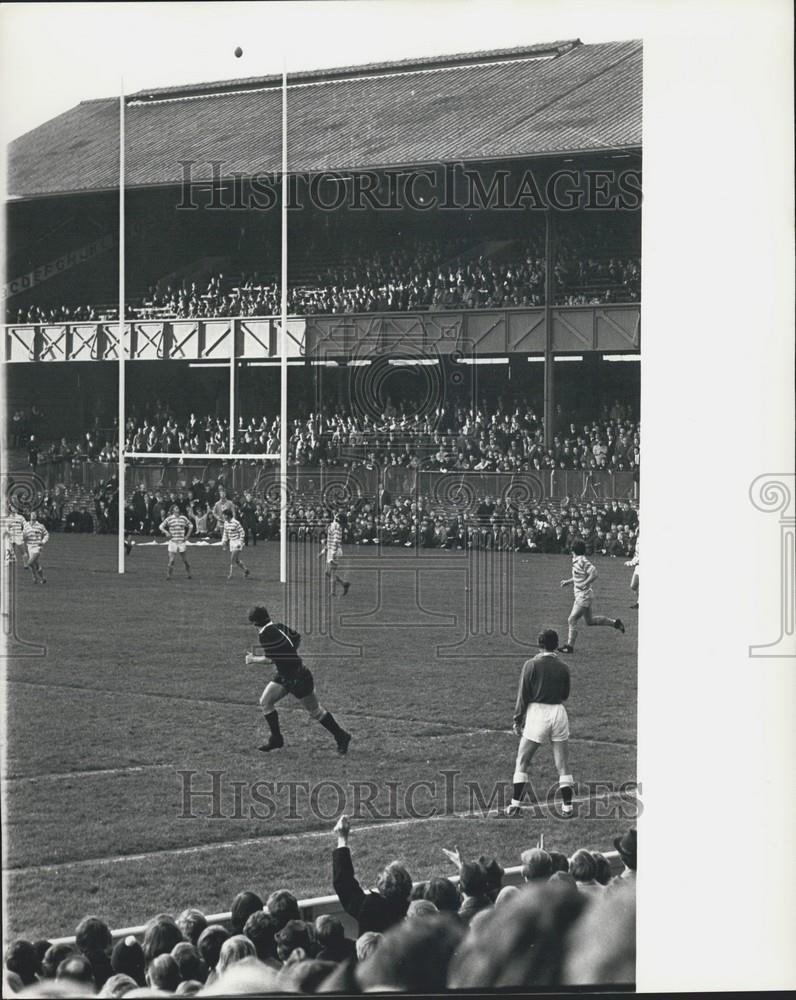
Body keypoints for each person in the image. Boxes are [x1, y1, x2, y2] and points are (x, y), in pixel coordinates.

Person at [244, 604, 352, 754]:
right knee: (265, 702)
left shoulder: (265, 635)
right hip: (286, 675)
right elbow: (297, 637)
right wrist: (288, 653)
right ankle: (276, 739)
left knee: (316, 712)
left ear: (255, 623)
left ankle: (342, 736)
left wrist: (252, 659)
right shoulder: (279, 626)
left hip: (298, 678)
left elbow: (270, 659)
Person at [505, 628, 575, 817]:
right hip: (559, 713)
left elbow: (523, 695)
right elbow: (565, 694)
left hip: (538, 714)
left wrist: (517, 720)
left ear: (539, 644)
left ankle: (515, 804)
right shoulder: (564, 667)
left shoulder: (531, 665)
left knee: (523, 760)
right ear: (556, 645)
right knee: (563, 765)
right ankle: (567, 807)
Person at [332, 814, 412, 933]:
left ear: (381, 886)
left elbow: (343, 883)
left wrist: (342, 839)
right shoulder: (413, 910)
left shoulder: (369, 907)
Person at [557, 540, 624, 653]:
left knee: (572, 619)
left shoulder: (582, 560)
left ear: (573, 550)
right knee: (590, 621)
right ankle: (615, 623)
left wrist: (585, 583)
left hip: (584, 596)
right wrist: (568, 581)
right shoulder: (577, 560)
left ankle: (569, 646)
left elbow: (594, 573)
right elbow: (580, 575)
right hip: (582, 595)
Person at [318, 512, 350, 597]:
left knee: (331, 572)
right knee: (327, 572)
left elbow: (336, 540)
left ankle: (332, 592)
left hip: (334, 551)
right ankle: (344, 584)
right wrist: (323, 552)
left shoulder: (336, 527)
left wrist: (334, 552)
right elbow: (330, 541)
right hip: (331, 551)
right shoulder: (333, 526)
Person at [159, 502, 193, 580]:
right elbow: (161, 526)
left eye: (178, 508)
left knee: (185, 560)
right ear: (173, 510)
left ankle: (189, 574)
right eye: (176, 508)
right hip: (173, 542)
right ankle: (168, 576)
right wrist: (166, 532)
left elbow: (191, 526)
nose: (178, 509)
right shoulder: (169, 518)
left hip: (181, 542)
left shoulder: (183, 518)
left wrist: (187, 536)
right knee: (171, 560)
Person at [221, 509, 250, 582]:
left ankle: (230, 574)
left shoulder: (236, 523)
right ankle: (246, 570)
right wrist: (224, 541)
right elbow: (225, 533)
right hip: (231, 542)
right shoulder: (226, 523)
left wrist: (240, 542)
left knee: (232, 558)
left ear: (228, 515)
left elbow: (242, 532)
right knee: (236, 560)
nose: (223, 516)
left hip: (237, 542)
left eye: (224, 515)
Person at [22, 509, 49, 584]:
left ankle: (34, 577)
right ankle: (42, 578)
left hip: (38, 547)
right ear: (30, 515)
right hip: (30, 547)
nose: (33, 515)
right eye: (32, 514)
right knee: (36, 564)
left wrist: (43, 542)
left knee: (29, 563)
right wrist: (24, 537)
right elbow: (23, 536)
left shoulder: (40, 526)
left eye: (35, 514)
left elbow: (46, 534)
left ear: (36, 516)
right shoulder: (26, 525)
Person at [624, 539, 639, 608]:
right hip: (638, 567)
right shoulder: (638, 539)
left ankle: (639, 603)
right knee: (633, 586)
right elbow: (636, 555)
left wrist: (631, 563)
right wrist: (632, 561)